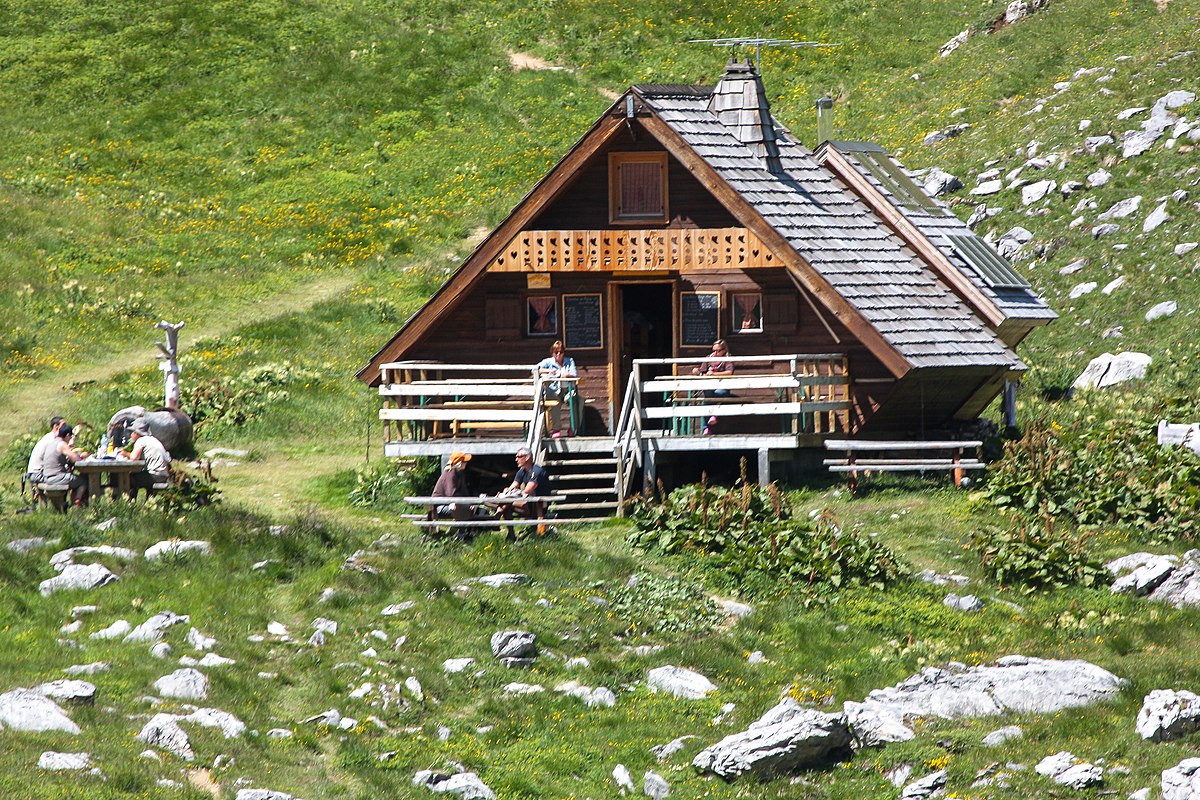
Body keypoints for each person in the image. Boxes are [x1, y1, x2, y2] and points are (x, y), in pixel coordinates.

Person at [499, 447, 552, 539]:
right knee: (505, 503)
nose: (516, 459)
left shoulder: (536, 471)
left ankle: (496, 517)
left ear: (527, 457)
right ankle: (511, 534)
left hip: (538, 505)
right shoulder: (522, 471)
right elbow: (513, 485)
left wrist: (512, 494)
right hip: (528, 502)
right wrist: (506, 492)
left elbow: (528, 490)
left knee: (506, 504)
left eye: (518, 457)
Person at [533, 340, 577, 438]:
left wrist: (566, 375)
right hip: (554, 390)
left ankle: (572, 428)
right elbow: (534, 369)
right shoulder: (548, 362)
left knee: (576, 400)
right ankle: (556, 429)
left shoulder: (569, 361)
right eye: (556, 352)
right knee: (554, 402)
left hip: (567, 389)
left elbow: (574, 374)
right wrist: (549, 371)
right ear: (552, 353)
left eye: (561, 352)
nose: (558, 354)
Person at [39, 423, 90, 506]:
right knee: (84, 480)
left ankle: (75, 501)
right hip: (56, 477)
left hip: (47, 476)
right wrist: (81, 457)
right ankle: (75, 503)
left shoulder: (53, 442)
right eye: (70, 437)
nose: (70, 439)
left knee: (75, 480)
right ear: (67, 435)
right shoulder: (62, 444)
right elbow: (74, 458)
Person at [431, 451, 478, 536]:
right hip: (441, 505)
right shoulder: (450, 474)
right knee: (462, 508)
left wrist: (470, 502)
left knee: (470, 508)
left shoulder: (460, 473)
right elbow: (451, 494)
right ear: (459, 463)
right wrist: (466, 503)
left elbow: (464, 491)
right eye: (464, 461)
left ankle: (456, 533)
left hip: (453, 502)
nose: (466, 463)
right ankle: (459, 534)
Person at [692, 339, 733, 434]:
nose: (715, 352)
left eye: (717, 350)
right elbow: (702, 370)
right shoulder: (709, 358)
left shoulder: (727, 359)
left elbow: (729, 372)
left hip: (723, 386)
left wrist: (714, 373)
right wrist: (697, 371)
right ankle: (712, 417)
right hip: (710, 385)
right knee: (708, 395)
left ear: (724, 350)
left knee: (714, 396)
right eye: (713, 350)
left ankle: (706, 427)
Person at [121, 419, 171, 497]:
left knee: (127, 479)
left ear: (136, 433)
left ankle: (129, 503)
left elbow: (134, 458)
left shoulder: (141, 441)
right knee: (136, 476)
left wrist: (124, 453)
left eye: (133, 432)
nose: (131, 434)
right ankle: (144, 502)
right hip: (163, 475)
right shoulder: (154, 440)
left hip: (154, 475)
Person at [23, 415, 65, 501]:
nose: (66, 427)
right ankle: (61, 506)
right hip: (38, 474)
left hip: (34, 473)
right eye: (63, 425)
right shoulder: (52, 439)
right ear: (56, 427)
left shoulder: (48, 437)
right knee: (65, 479)